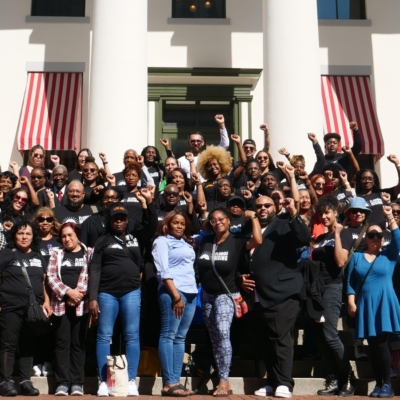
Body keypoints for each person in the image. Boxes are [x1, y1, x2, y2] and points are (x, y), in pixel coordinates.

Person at [89, 202, 157, 397]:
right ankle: (104, 381)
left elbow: (152, 225)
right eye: (115, 218)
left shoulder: (136, 237)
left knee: (132, 335)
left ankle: (130, 381)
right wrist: (92, 297)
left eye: (122, 218)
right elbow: (95, 269)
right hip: (106, 293)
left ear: (127, 221)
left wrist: (148, 204)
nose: (118, 221)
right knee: (104, 335)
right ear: (109, 221)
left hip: (131, 292)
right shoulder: (102, 241)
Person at [245, 196, 311, 399]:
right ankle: (273, 382)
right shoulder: (249, 228)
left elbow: (303, 238)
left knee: (281, 338)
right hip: (257, 295)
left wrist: (293, 212)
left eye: (267, 205)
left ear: (275, 207)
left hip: (284, 291)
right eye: (258, 206)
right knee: (264, 341)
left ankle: (284, 383)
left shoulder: (284, 223)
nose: (262, 209)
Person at [196, 206, 262, 396]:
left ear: (228, 221)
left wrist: (254, 218)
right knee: (214, 337)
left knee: (223, 333)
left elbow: (257, 240)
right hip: (207, 295)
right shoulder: (206, 240)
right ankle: (219, 373)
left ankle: (224, 381)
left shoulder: (237, 240)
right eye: (213, 220)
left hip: (226, 294)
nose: (218, 222)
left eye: (221, 219)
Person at [347, 208, 400, 398]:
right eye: (372, 235)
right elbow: (351, 281)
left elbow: (398, 237)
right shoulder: (358, 257)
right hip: (366, 304)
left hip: (385, 303)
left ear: (383, 238)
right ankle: (378, 384)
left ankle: (387, 384)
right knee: (373, 346)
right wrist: (351, 300)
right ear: (366, 238)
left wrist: (390, 217)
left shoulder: (390, 255)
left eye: (379, 235)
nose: (376, 237)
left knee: (382, 345)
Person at [0, 221, 50, 396]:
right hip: (10, 307)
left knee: (28, 345)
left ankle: (25, 381)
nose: (24, 237)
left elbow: (43, 282)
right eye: (21, 233)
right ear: (14, 235)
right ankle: (5, 382)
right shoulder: (5, 254)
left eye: (28, 234)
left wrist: (46, 301)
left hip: (32, 309)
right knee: (9, 344)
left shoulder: (38, 255)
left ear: (33, 236)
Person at [312, 195, 355, 396]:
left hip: (332, 288)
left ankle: (347, 377)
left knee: (330, 334)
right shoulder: (319, 239)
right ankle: (333, 377)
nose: (324, 216)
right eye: (321, 213)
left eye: (327, 212)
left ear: (335, 213)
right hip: (316, 291)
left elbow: (340, 262)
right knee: (320, 337)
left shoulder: (343, 234)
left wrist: (337, 235)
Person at [152, 210, 197, 396]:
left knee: (180, 337)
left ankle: (176, 382)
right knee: (169, 335)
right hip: (173, 292)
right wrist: (176, 295)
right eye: (175, 223)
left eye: (182, 223)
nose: (179, 226)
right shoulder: (161, 241)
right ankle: (169, 383)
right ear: (167, 225)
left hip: (191, 292)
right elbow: (163, 270)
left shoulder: (186, 243)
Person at [47, 223, 92, 396]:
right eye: (64, 236)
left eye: (70, 235)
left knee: (78, 344)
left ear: (77, 235)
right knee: (62, 343)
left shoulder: (89, 253)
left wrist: (78, 295)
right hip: (60, 304)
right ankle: (63, 383)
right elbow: (51, 276)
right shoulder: (57, 254)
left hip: (81, 305)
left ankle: (77, 383)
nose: (67, 239)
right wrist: (67, 292)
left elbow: (91, 275)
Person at [178, 114, 229, 179]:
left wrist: (221, 124)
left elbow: (225, 145)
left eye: (198, 141)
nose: (196, 143)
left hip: (207, 188)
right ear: (188, 143)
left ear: (202, 143)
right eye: (193, 141)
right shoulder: (181, 161)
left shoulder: (209, 157)